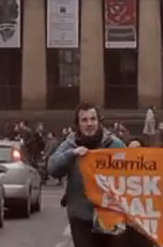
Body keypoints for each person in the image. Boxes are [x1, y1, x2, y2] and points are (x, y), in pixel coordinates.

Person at [48, 103, 125, 247]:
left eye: (93, 119)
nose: (89, 124)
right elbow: (52, 168)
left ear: (99, 121)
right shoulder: (70, 144)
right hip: (80, 214)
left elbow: (131, 172)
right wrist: (72, 154)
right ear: (77, 124)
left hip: (109, 213)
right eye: (84, 120)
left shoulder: (115, 144)